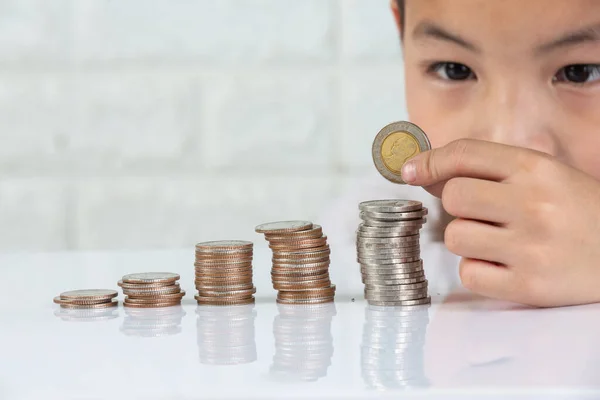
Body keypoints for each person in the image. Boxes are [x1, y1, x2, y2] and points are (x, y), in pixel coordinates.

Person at [321, 0, 600, 308]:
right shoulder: (351, 244)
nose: (507, 141)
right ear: (402, 36)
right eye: (454, 71)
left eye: (580, 73)